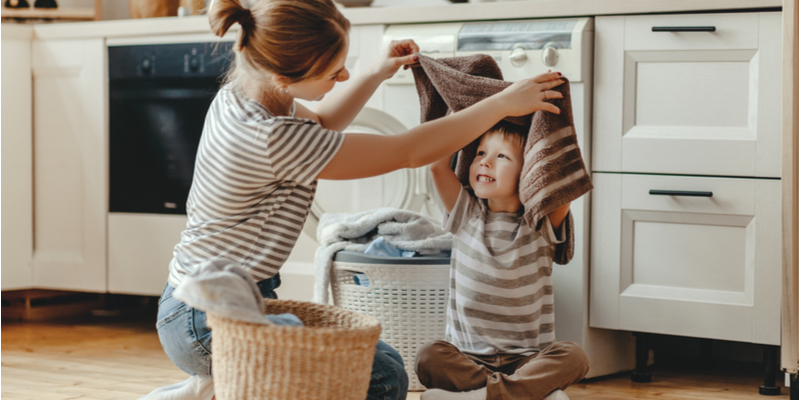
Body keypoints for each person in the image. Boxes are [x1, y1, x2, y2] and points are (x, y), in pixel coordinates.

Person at [152, 0, 565, 399]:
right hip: (204, 322)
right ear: (282, 76)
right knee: (381, 379)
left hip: (208, 302)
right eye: (333, 73)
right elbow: (409, 151)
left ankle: (218, 387)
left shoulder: (243, 98)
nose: (344, 77)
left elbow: (325, 122)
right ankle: (225, 384)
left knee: (378, 356)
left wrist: (376, 73)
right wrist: (501, 105)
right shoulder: (271, 138)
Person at [415, 124, 590, 400]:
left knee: (575, 357)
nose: (484, 161)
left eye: (502, 157)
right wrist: (465, 113)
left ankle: (478, 396)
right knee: (429, 357)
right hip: (467, 357)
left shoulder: (540, 223)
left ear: (530, 172)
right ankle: (525, 394)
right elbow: (438, 167)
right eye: (481, 152)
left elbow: (563, 179)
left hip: (527, 360)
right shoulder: (465, 213)